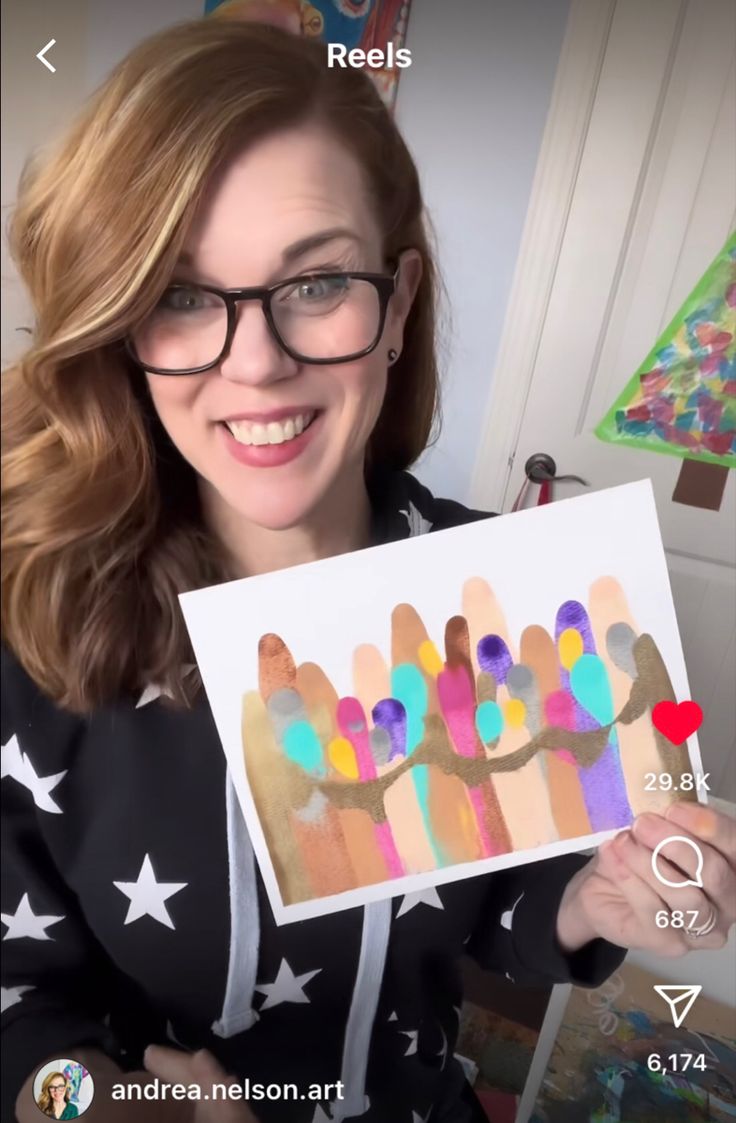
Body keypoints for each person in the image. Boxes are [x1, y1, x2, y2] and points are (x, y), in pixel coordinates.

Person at [2, 16, 734, 1123]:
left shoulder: (507, 601)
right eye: (182, 295)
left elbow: (498, 917)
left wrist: (595, 897)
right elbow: (16, 1022)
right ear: (122, 332)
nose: (256, 363)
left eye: (316, 284)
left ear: (395, 306)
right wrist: (102, 1110)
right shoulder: (31, 626)